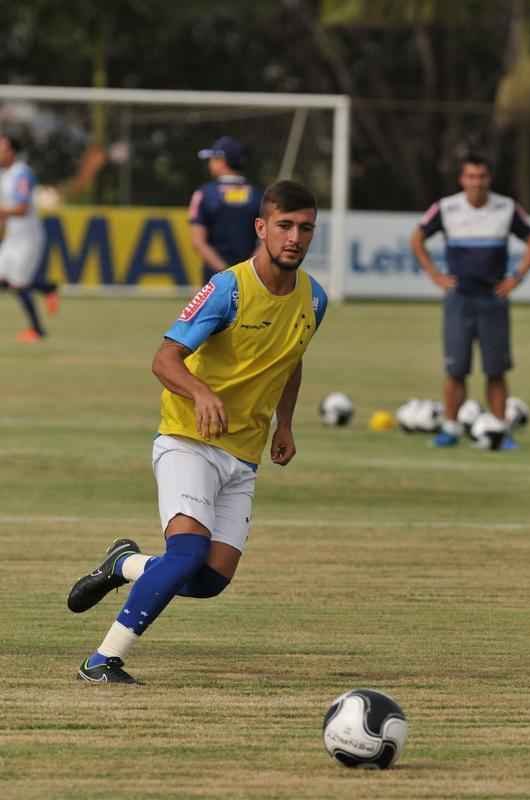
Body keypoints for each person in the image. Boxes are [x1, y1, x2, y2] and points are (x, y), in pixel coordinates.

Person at [67, 179, 328, 684]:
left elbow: (292, 359)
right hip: (188, 440)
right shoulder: (228, 288)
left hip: (244, 454)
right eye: (284, 226)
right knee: (185, 555)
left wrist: (286, 423)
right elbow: (165, 359)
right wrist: (201, 393)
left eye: (305, 228)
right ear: (261, 228)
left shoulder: (314, 300)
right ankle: (101, 661)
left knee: (208, 580)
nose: (295, 237)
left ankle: (123, 566)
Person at [410, 153, 530, 448]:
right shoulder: (447, 207)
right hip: (459, 299)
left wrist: (516, 277)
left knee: (496, 369)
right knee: (456, 368)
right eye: (471, 177)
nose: (476, 183)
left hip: (493, 298)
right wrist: (436, 275)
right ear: (462, 179)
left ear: (489, 179)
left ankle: (500, 430)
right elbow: (417, 238)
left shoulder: (506, 209)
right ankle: (450, 428)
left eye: (481, 177)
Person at [0, 133, 59, 342]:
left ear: (11, 152)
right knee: (7, 282)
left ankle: (37, 330)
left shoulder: (22, 174)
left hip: (28, 238)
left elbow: (22, 209)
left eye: (2, 148)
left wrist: (3, 213)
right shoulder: (3, 175)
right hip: (12, 238)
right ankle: (47, 287)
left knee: (18, 285)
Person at [189, 135, 262, 283]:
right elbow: (266, 242)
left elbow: (198, 241)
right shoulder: (259, 196)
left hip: (214, 281)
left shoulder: (204, 194)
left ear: (221, 161)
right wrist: (246, 272)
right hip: (250, 279)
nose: (209, 163)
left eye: (212, 158)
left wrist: (226, 272)